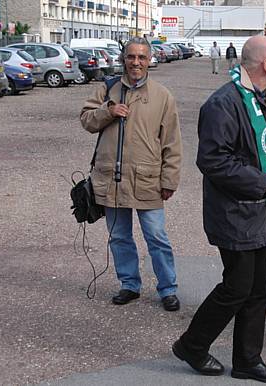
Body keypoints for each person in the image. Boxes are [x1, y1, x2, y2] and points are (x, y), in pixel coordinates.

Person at [173, 36, 266, 384]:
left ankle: (247, 361)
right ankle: (192, 345)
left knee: (257, 288)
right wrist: (264, 182)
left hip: (259, 211)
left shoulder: (261, 97)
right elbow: (212, 161)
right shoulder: (224, 103)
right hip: (235, 213)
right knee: (237, 287)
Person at [80, 37, 183, 311]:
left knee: (157, 238)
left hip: (148, 180)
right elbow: (86, 120)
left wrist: (169, 180)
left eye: (142, 57)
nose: (136, 62)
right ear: (123, 58)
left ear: (149, 60)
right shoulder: (108, 89)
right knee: (119, 237)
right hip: (111, 180)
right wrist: (108, 111)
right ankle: (129, 284)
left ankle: (168, 289)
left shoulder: (162, 96)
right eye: (131, 57)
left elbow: (172, 143)